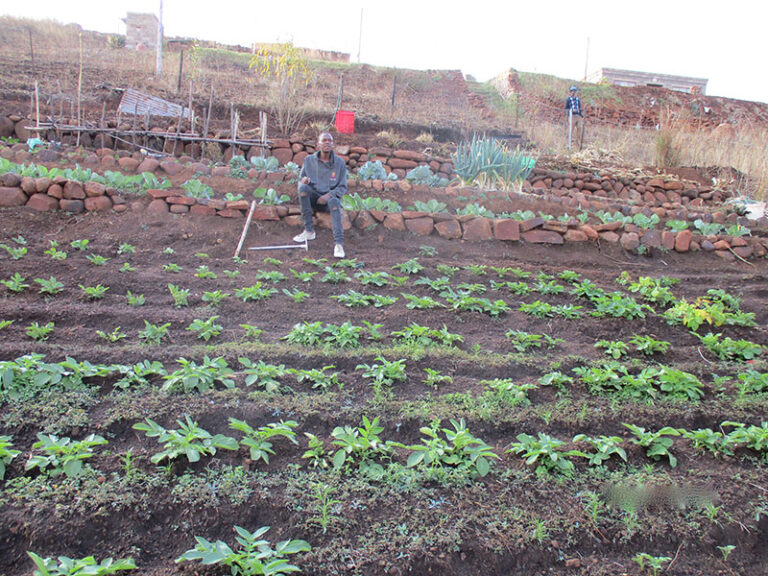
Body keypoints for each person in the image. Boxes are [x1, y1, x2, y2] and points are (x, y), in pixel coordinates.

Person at [293, 131, 348, 258]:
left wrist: (328, 196)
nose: (327, 143)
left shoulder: (339, 163)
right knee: (303, 188)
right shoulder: (309, 160)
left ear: (333, 144)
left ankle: (338, 244)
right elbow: (301, 179)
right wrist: (304, 180)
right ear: (318, 144)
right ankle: (309, 231)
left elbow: (342, 187)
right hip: (313, 197)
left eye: (330, 141)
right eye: (324, 140)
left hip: (328, 200)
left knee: (335, 202)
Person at [564, 85, 584, 149]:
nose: (573, 92)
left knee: (579, 128)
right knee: (571, 130)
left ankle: (578, 144)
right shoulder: (568, 99)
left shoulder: (578, 99)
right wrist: (568, 116)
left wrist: (581, 115)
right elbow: (566, 108)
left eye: (574, 91)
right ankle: (568, 143)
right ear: (570, 92)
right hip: (572, 115)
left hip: (578, 115)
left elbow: (580, 107)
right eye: (572, 91)